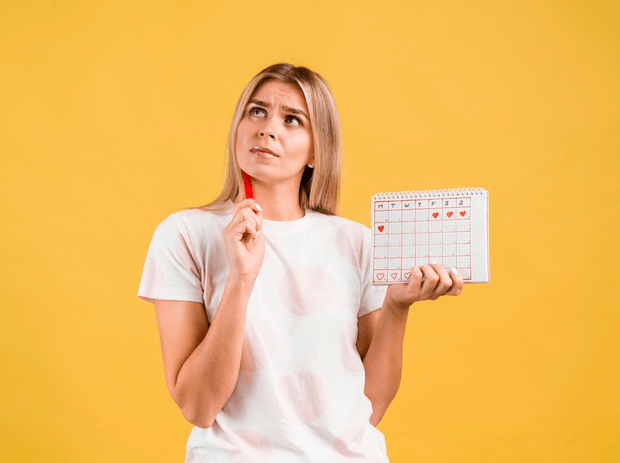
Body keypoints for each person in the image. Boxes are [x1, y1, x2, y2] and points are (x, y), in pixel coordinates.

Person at [138, 63, 463, 463]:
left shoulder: (357, 243)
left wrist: (397, 306)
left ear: (316, 150)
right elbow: (198, 406)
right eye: (257, 111)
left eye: (292, 120)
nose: (267, 128)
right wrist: (241, 278)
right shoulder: (185, 235)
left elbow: (369, 409)